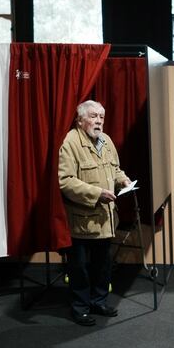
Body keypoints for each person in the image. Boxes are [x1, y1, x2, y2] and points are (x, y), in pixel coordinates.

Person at [58, 100, 131, 326]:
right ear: (80, 120)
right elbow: (66, 181)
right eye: (93, 116)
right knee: (79, 267)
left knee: (103, 264)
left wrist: (123, 180)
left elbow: (115, 169)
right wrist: (97, 193)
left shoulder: (106, 140)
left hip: (106, 219)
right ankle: (80, 307)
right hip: (82, 220)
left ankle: (98, 301)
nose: (98, 120)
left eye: (101, 116)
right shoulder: (70, 142)